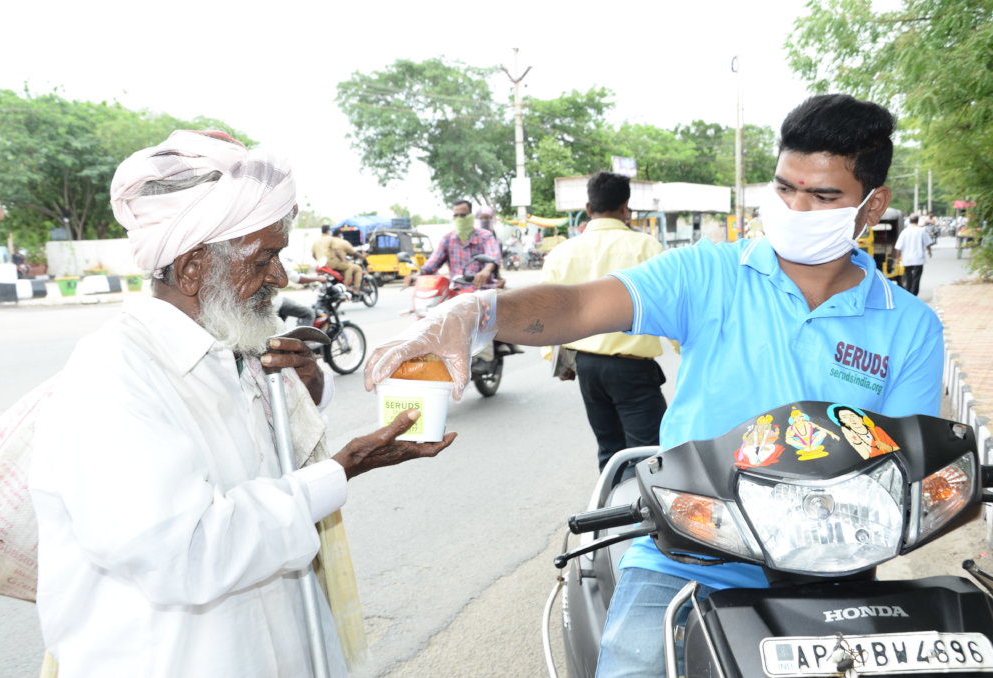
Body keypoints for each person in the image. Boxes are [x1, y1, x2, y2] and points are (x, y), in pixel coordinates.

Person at [363, 94, 944, 676]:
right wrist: (473, 314)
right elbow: (580, 304)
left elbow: (907, 463)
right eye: (785, 187)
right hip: (690, 553)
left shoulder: (910, 326)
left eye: (821, 196)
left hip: (832, 564)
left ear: (873, 206)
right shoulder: (707, 273)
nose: (795, 206)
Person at [29, 130, 455, 677]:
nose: (279, 277)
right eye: (264, 258)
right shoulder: (114, 377)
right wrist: (339, 471)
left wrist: (308, 391)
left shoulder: (232, 346)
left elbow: (253, 470)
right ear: (192, 268)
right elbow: (187, 554)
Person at [540, 172, 670, 478]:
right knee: (648, 454)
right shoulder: (647, 247)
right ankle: (644, 523)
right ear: (626, 207)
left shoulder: (561, 253)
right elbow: (675, 305)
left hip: (587, 368)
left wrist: (560, 363)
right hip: (633, 369)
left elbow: (549, 314)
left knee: (609, 450)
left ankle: (611, 520)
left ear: (588, 208)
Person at [419, 199, 502, 289]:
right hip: (456, 290)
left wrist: (486, 271)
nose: (459, 218)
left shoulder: (485, 236)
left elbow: (493, 257)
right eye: (456, 216)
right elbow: (432, 263)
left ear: (470, 216)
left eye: (463, 215)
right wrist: (419, 274)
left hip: (482, 290)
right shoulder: (447, 239)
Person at [312, 224, 368, 293]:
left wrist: (319, 261)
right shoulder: (331, 239)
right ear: (328, 231)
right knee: (350, 267)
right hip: (332, 263)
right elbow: (336, 250)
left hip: (321, 265)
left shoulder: (316, 241)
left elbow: (313, 255)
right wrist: (343, 260)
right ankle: (348, 286)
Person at [894, 214, 934, 296]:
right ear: (917, 221)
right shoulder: (921, 231)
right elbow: (928, 243)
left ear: (910, 221)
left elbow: (898, 247)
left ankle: (909, 293)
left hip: (907, 259)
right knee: (917, 277)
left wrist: (897, 258)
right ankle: (914, 293)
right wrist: (929, 251)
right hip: (918, 259)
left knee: (908, 276)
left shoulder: (904, 232)